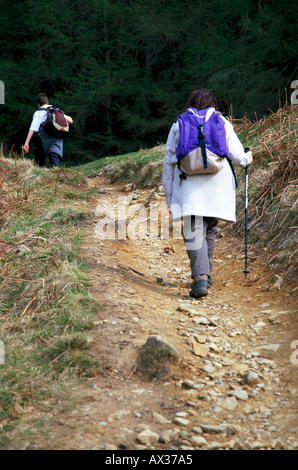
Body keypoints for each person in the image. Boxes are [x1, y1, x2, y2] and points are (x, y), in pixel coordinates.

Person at [162, 89, 253, 298]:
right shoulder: (222, 122)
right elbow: (239, 159)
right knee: (209, 227)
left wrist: (169, 197)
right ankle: (205, 274)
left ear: (190, 103)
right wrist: (248, 157)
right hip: (217, 185)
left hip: (188, 185)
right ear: (214, 104)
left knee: (193, 230)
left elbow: (168, 162)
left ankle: (201, 277)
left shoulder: (178, 124)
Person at [23, 93, 73, 167]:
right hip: (57, 135)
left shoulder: (38, 112)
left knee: (39, 157)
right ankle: (56, 172)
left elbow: (33, 128)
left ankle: (39, 170)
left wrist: (27, 143)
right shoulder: (55, 110)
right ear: (48, 102)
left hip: (44, 137)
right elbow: (70, 120)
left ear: (38, 104)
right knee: (54, 155)